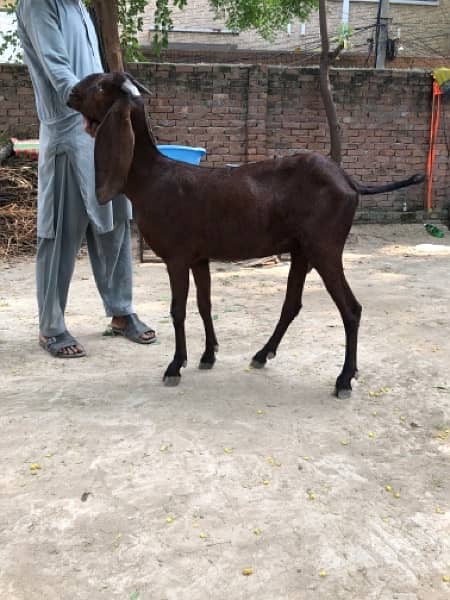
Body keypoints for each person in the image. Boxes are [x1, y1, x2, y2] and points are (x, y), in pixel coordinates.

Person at [16, 0, 156, 357]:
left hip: (100, 126)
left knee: (116, 220)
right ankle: (51, 328)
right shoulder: (37, 4)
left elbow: (94, 69)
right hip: (68, 129)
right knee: (61, 230)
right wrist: (86, 106)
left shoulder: (77, 5)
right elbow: (58, 69)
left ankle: (121, 312)